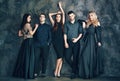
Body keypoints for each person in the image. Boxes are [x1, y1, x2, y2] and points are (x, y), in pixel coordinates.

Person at [13, 13, 38, 79]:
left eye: (30, 17)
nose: (30, 18)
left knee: (25, 57)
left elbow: (19, 34)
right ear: (26, 18)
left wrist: (25, 35)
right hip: (29, 41)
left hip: (25, 42)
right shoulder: (27, 24)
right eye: (29, 17)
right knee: (29, 57)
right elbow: (32, 33)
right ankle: (28, 74)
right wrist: (36, 27)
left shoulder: (23, 25)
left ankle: (25, 74)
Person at [78, 11, 102, 79]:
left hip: (92, 41)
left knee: (90, 58)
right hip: (87, 41)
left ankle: (89, 74)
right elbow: (79, 20)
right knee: (84, 56)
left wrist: (99, 41)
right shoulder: (88, 22)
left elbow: (98, 33)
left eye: (92, 15)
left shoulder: (97, 23)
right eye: (89, 15)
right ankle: (86, 74)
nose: (90, 17)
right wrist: (84, 22)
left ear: (94, 16)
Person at [64, 11, 83, 79]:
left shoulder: (78, 24)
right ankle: (76, 69)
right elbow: (65, 34)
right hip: (68, 42)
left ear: (74, 15)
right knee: (67, 57)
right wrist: (65, 42)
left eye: (72, 15)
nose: (71, 17)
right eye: (69, 16)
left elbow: (81, 33)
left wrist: (76, 39)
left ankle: (73, 73)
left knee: (75, 58)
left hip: (76, 42)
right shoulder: (66, 24)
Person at [48, 1, 65, 78]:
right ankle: (56, 71)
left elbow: (63, 14)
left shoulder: (62, 23)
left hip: (62, 42)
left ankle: (58, 72)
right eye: (57, 17)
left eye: (59, 17)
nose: (58, 18)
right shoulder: (53, 23)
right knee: (59, 56)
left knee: (61, 58)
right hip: (55, 42)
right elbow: (49, 14)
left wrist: (60, 7)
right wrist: (57, 13)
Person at [33, 13, 51, 78]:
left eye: (43, 17)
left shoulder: (48, 26)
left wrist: (48, 43)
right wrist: (35, 43)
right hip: (37, 45)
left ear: (45, 18)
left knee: (44, 59)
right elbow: (33, 36)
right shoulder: (36, 26)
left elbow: (50, 36)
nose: (41, 18)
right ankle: (35, 73)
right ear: (39, 18)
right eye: (40, 17)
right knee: (36, 59)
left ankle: (43, 72)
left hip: (45, 45)